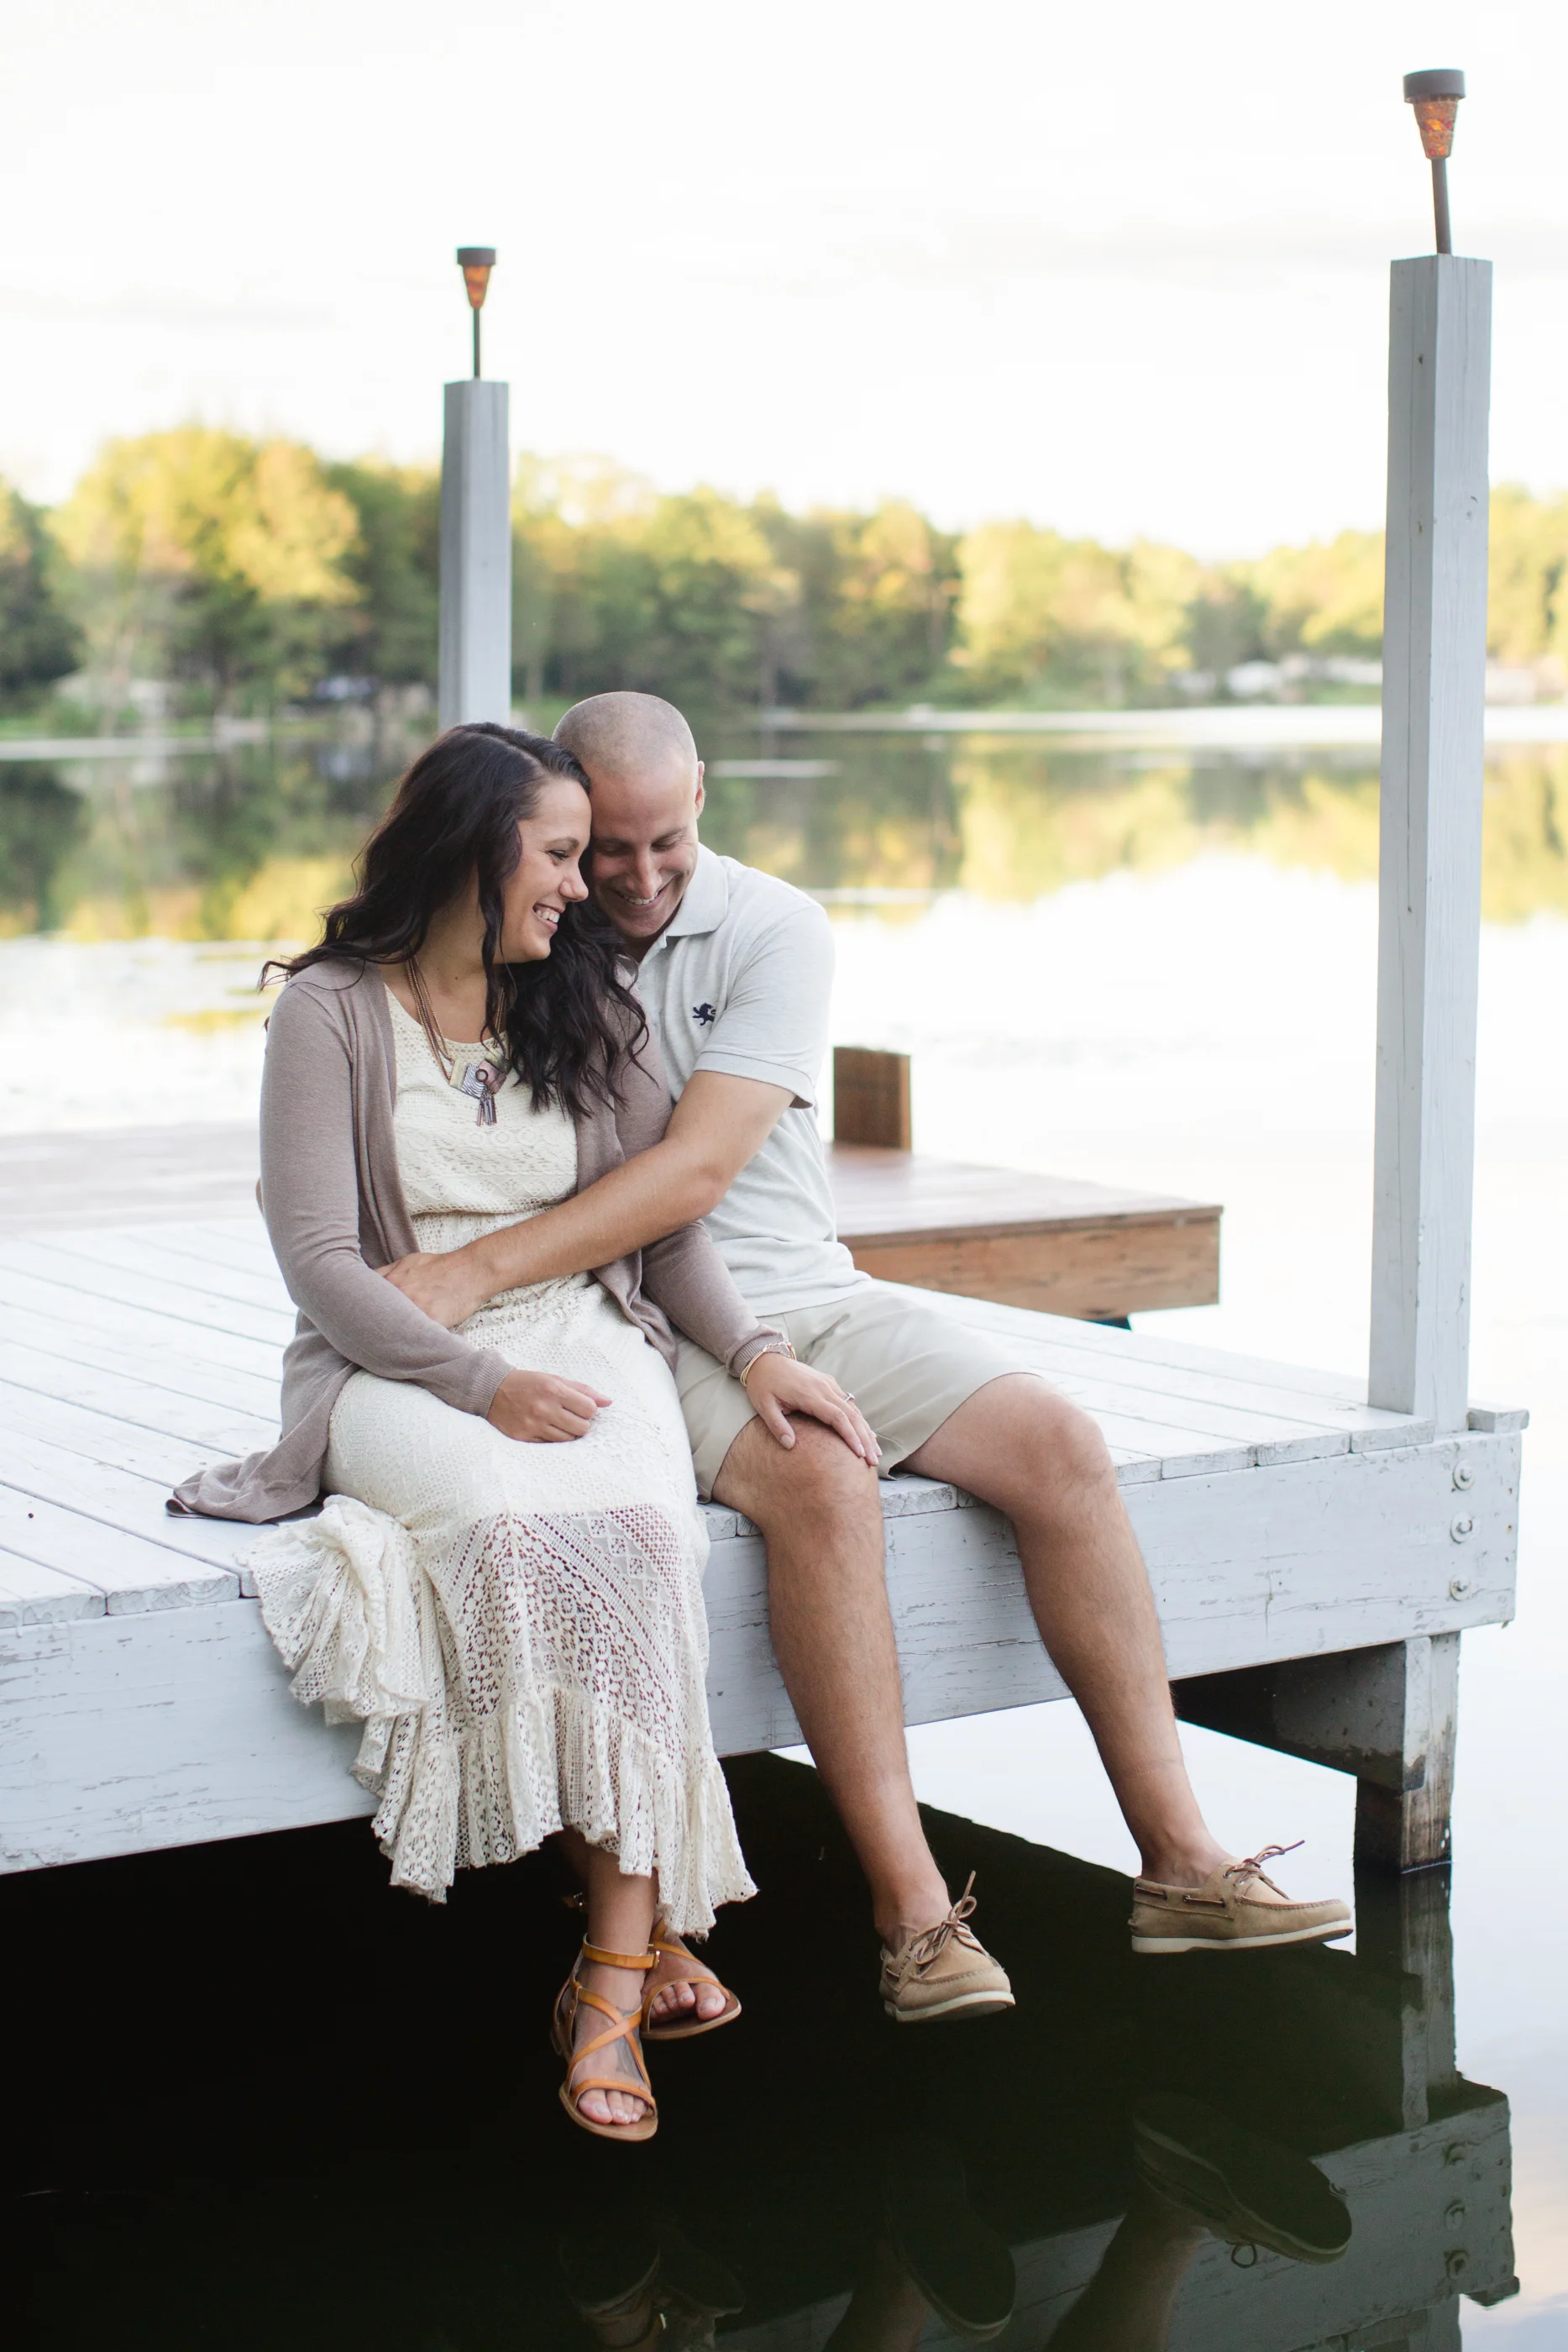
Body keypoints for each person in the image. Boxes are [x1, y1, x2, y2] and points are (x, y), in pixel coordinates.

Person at [376, 696, 1351, 2017]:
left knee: (1059, 1445)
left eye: (665, 843)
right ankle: (912, 1919)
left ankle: (1180, 1864)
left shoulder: (775, 927)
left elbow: (699, 1169)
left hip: (807, 1287)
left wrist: (474, 1269)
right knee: (826, 1480)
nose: (639, 878)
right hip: (638, 1313)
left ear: (702, 796)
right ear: (558, 824)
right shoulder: (533, 931)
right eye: (605, 850)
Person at [171, 723, 876, 2141]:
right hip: (392, 1359)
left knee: (641, 1535)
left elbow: (661, 1226)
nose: (578, 885)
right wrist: (476, 1382)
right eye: (557, 854)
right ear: (472, 853)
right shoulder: (330, 1012)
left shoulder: (579, 997)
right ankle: (640, 1937)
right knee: (504, 1529)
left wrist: (753, 1354)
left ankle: (607, 1976)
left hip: (585, 1334)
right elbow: (320, 1261)